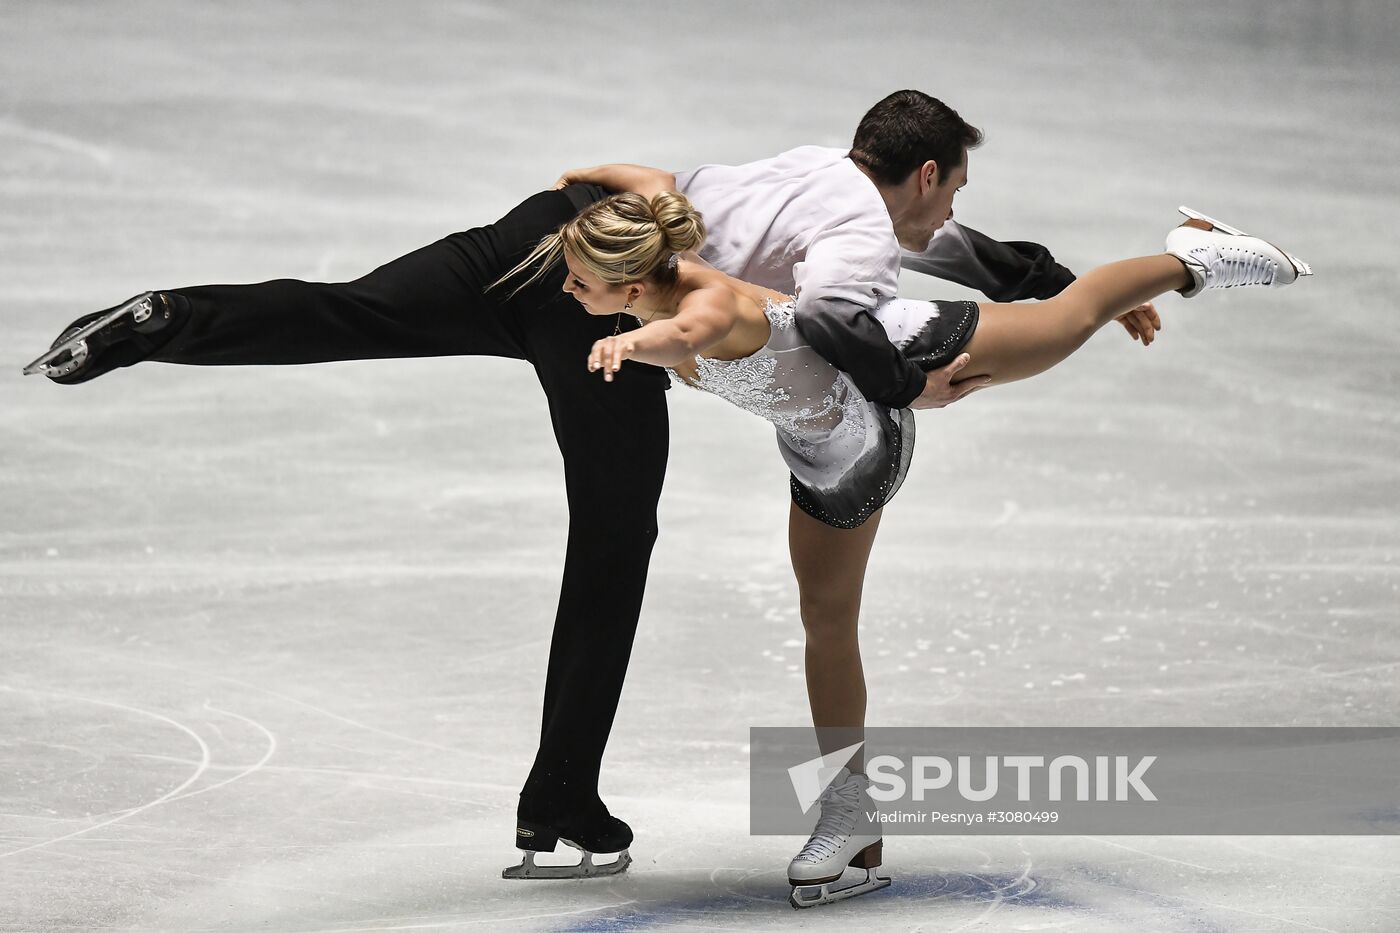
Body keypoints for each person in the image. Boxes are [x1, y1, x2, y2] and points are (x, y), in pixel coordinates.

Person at [23, 90, 1081, 878]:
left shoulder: (806, 167)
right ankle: (560, 795)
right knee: (613, 542)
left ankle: (170, 320)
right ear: (930, 175)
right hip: (609, 308)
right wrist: (928, 373)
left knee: (353, 309)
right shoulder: (855, 233)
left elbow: (941, 242)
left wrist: (1034, 274)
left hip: (547, 231)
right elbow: (847, 313)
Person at [505, 188, 1310, 905]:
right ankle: (848, 811)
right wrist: (587, 177)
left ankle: (1196, 256)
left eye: (580, 281)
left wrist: (626, 347)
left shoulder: (702, 311)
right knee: (825, 618)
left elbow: (692, 330)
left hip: (879, 390)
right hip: (826, 439)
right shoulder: (664, 275)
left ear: (635, 287)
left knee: (1066, 321)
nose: (568, 289)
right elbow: (649, 196)